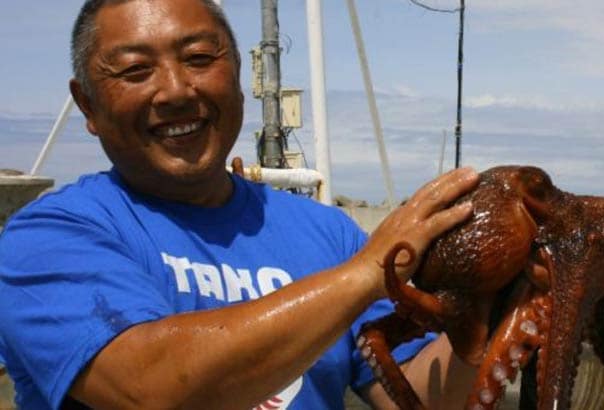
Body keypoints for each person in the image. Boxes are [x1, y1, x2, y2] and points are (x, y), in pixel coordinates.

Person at [0, 0, 481, 409]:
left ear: (235, 73)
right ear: (86, 105)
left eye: (199, 57)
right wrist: (366, 274)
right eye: (135, 70)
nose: (175, 90)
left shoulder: (329, 234)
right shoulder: (46, 240)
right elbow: (148, 388)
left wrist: (488, 309)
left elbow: (418, 394)